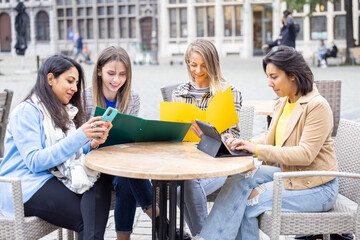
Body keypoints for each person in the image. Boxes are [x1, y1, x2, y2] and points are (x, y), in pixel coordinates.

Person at [194, 46, 339, 240]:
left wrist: (257, 149)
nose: (269, 83)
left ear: (293, 75)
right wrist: (244, 143)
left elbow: (305, 155)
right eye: (268, 77)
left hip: (316, 186)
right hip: (290, 173)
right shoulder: (284, 102)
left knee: (248, 200)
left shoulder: (316, 106)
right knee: (239, 178)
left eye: (274, 77)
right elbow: (270, 138)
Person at [0, 55, 113, 239]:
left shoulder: (60, 111)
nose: (75, 89)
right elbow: (35, 162)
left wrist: (90, 144)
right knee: (88, 219)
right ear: (50, 78)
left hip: (51, 177)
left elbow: (66, 152)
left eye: (76, 83)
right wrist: (79, 136)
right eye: (70, 81)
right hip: (22, 186)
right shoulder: (26, 111)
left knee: (100, 178)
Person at [85, 46, 189, 240]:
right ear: (99, 71)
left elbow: (130, 136)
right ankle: (160, 222)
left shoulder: (132, 98)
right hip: (93, 164)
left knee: (126, 176)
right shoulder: (85, 98)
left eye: (122, 74)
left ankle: (126, 237)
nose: (116, 80)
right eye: (111, 73)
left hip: (120, 163)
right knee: (127, 174)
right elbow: (77, 138)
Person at [171, 39, 243, 236]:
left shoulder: (228, 92)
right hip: (187, 160)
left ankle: (202, 236)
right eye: (193, 65)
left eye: (204, 65)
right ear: (187, 63)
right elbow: (175, 133)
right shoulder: (179, 92)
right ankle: (205, 236)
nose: (198, 70)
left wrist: (210, 136)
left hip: (217, 162)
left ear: (213, 64)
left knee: (183, 185)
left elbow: (234, 136)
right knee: (184, 182)